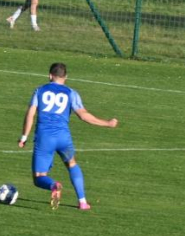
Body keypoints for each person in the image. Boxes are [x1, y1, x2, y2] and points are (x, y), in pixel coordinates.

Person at [17, 62, 118, 210]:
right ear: (66, 77)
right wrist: (107, 123)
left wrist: (24, 137)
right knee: (72, 164)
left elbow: (30, 114)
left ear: (50, 76)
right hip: (64, 138)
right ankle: (82, 202)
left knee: (39, 177)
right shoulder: (71, 93)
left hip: (45, 138)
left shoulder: (40, 91)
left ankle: (53, 185)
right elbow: (84, 116)